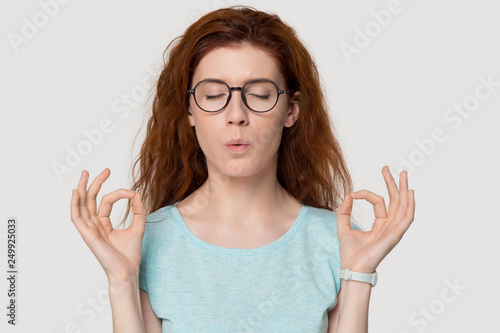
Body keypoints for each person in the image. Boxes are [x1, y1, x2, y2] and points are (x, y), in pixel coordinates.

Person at [69, 5, 415, 333]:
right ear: (189, 110)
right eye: (214, 94)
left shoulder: (336, 240)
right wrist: (121, 279)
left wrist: (359, 274)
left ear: (291, 110)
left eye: (261, 95)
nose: (236, 115)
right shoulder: (148, 242)